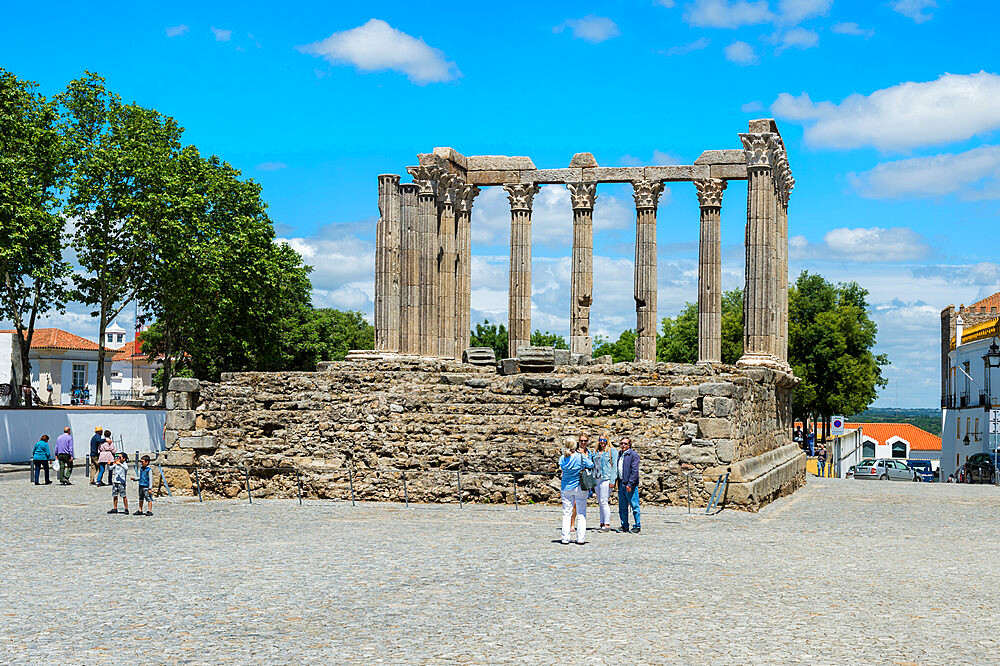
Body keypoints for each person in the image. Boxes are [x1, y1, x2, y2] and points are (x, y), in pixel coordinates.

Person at [558, 436, 594, 545]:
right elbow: (591, 465)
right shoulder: (580, 457)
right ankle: (580, 538)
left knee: (566, 513)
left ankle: (565, 538)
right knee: (581, 513)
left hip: (566, 487)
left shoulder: (562, 458)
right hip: (579, 486)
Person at [591, 434, 619, 532]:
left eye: (604, 440)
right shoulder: (595, 452)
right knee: (600, 502)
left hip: (606, 478)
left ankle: (607, 524)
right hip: (597, 478)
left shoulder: (612, 451)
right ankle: (602, 523)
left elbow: (614, 467)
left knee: (604, 501)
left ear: (607, 440)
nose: (602, 442)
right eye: (600, 440)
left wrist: (613, 480)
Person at [617, 436, 641, 534]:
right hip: (621, 483)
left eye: (625, 443)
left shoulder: (634, 455)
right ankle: (624, 525)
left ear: (629, 445)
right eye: (621, 443)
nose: (623, 445)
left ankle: (637, 525)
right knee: (622, 507)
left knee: (634, 506)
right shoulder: (620, 454)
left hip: (629, 484)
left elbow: (634, 471)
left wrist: (630, 484)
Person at [569, 433, 591, 532]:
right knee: (574, 503)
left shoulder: (589, 452)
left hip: (585, 479)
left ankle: (580, 523)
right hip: (575, 478)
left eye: (585, 441)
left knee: (581, 503)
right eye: (581, 441)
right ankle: (572, 523)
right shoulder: (574, 451)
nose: (583, 443)